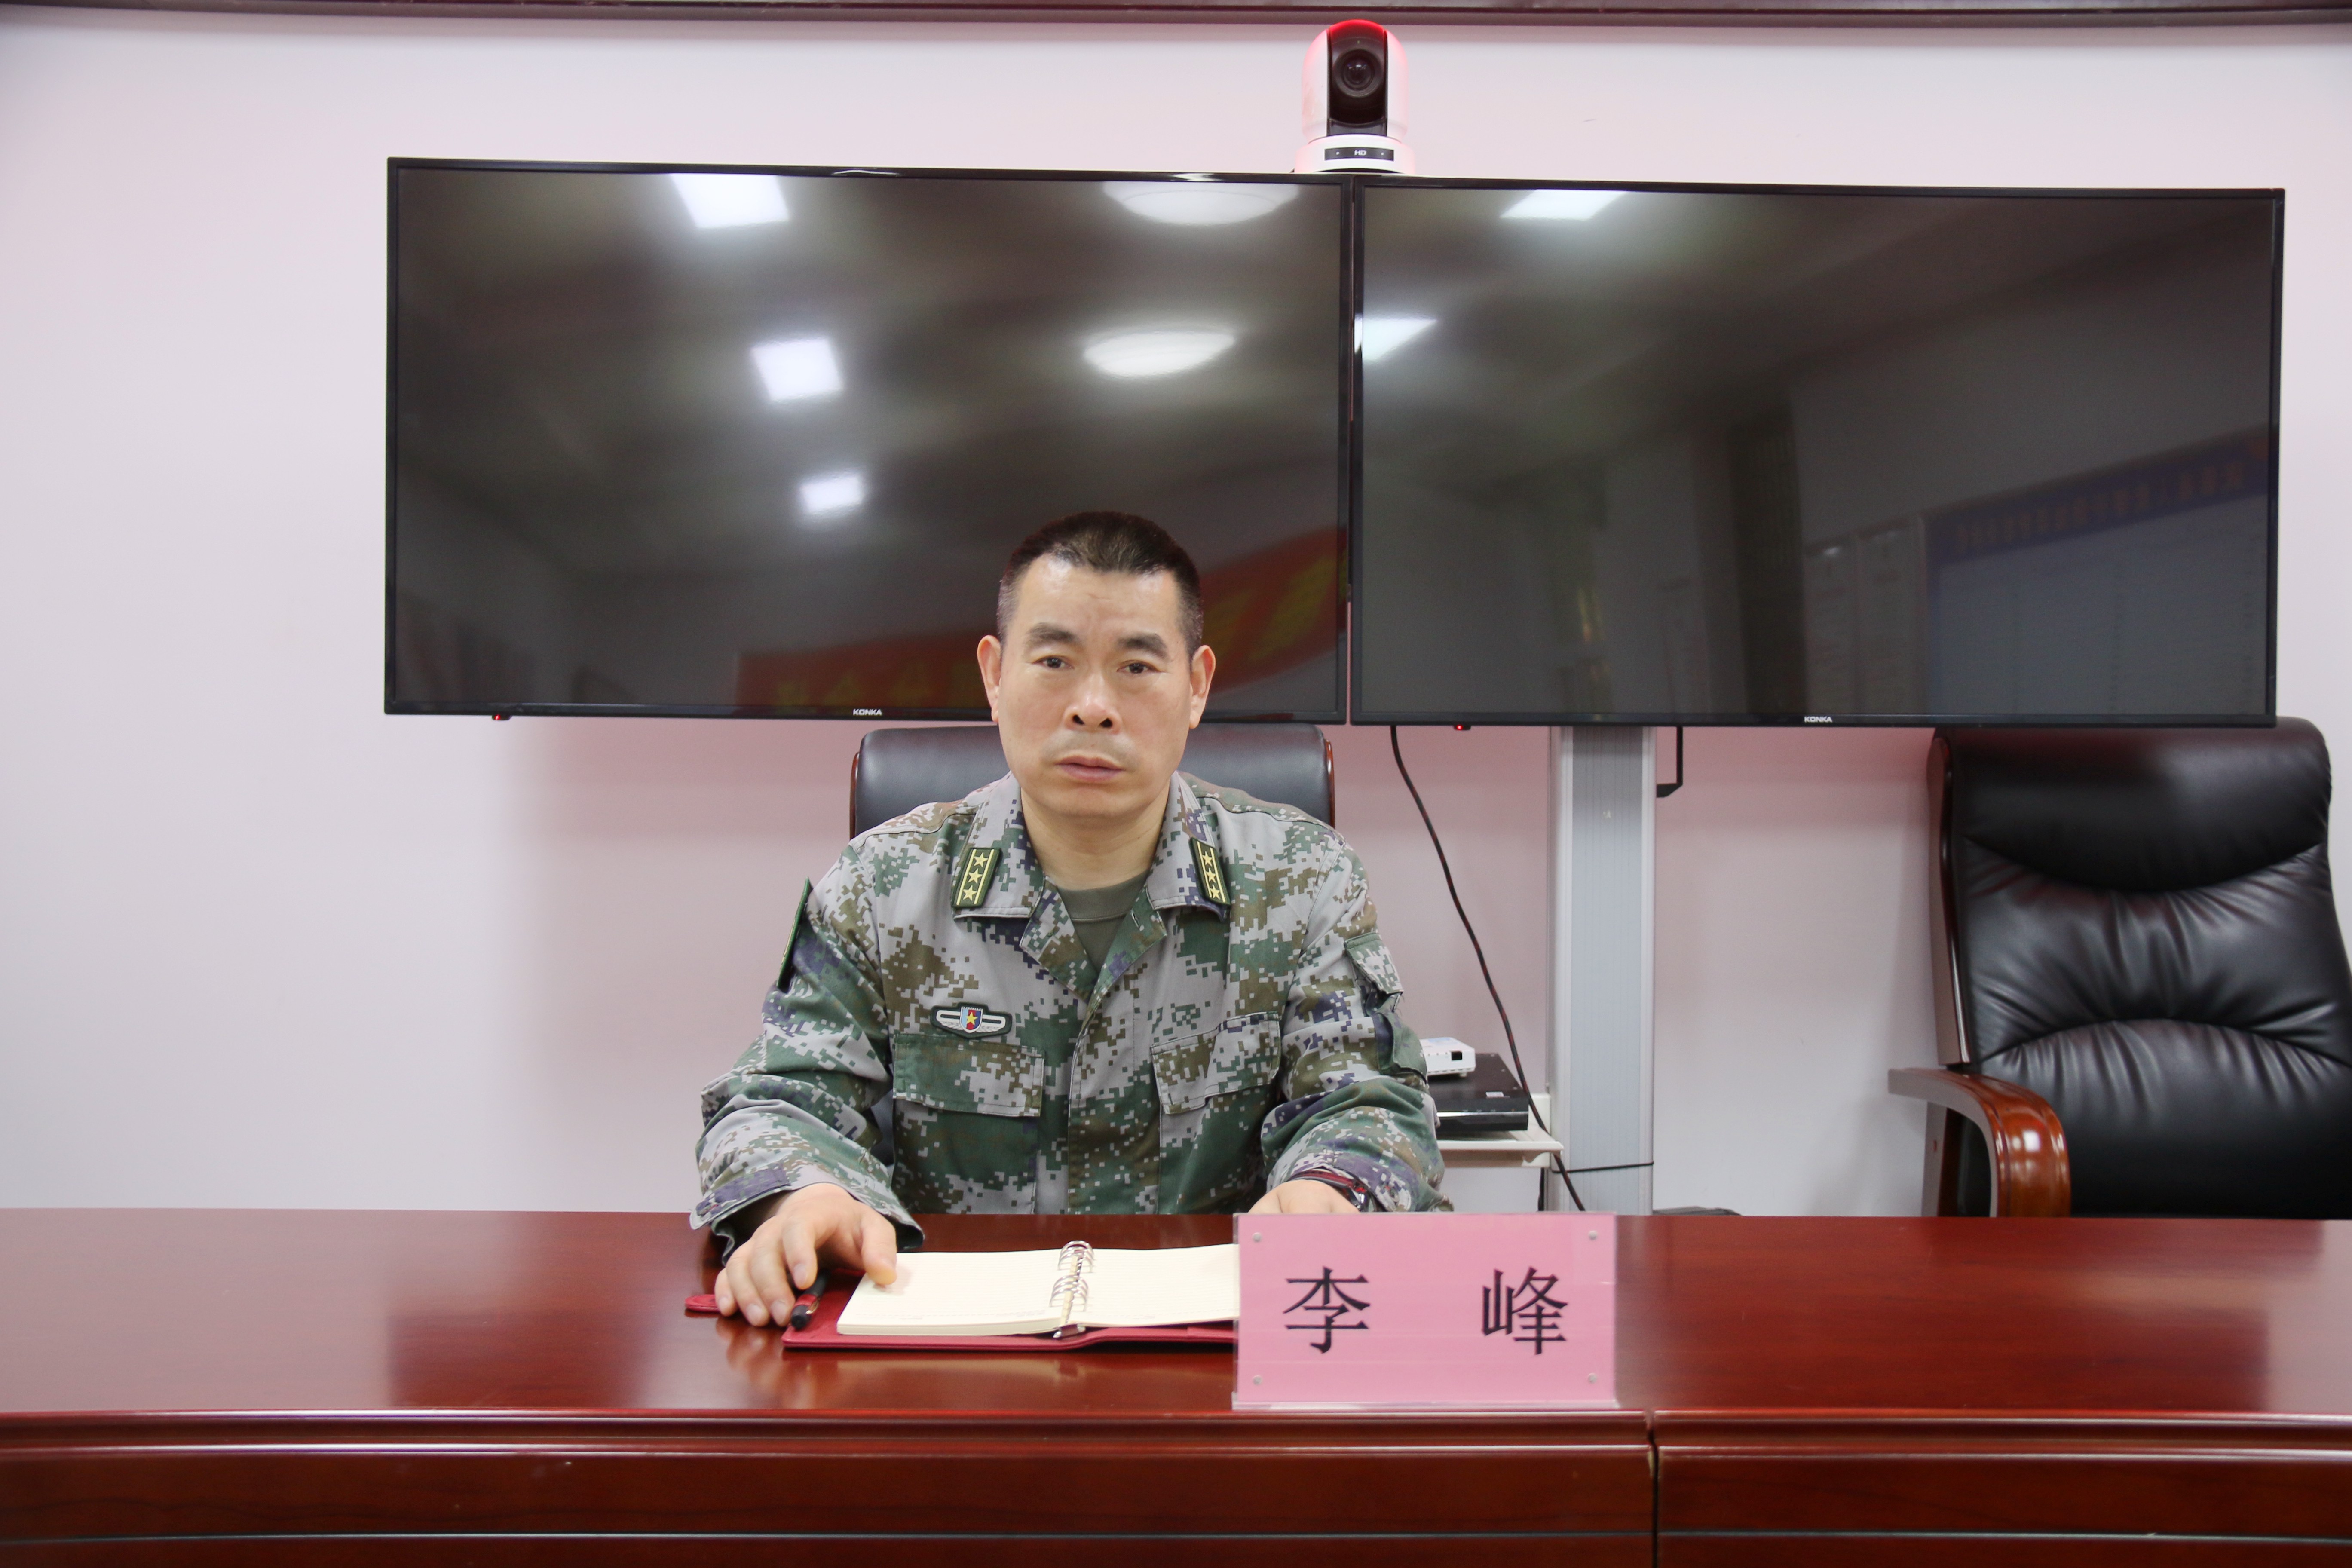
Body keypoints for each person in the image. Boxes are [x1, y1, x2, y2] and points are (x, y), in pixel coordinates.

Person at [695, 512, 1446, 1326]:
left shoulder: (1302, 878)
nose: (1093, 708)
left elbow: (1367, 1102)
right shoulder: (884, 886)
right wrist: (805, 1193)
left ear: (1197, 687)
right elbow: (781, 1100)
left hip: (1211, 1350)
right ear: (994, 675)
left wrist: (1330, 1187)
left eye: (1136, 667)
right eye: (1054, 662)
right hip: (951, 1350)